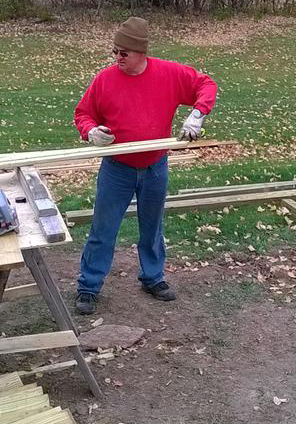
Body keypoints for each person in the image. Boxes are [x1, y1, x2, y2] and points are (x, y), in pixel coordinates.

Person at [73, 16, 217, 314]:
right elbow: (83, 114)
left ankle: (153, 277)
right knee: (104, 229)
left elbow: (206, 84)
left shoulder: (168, 74)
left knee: (152, 227)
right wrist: (91, 132)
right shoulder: (105, 80)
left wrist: (198, 114)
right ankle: (88, 286)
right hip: (117, 168)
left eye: (123, 53)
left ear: (141, 52)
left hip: (154, 166)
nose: (117, 58)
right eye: (114, 52)